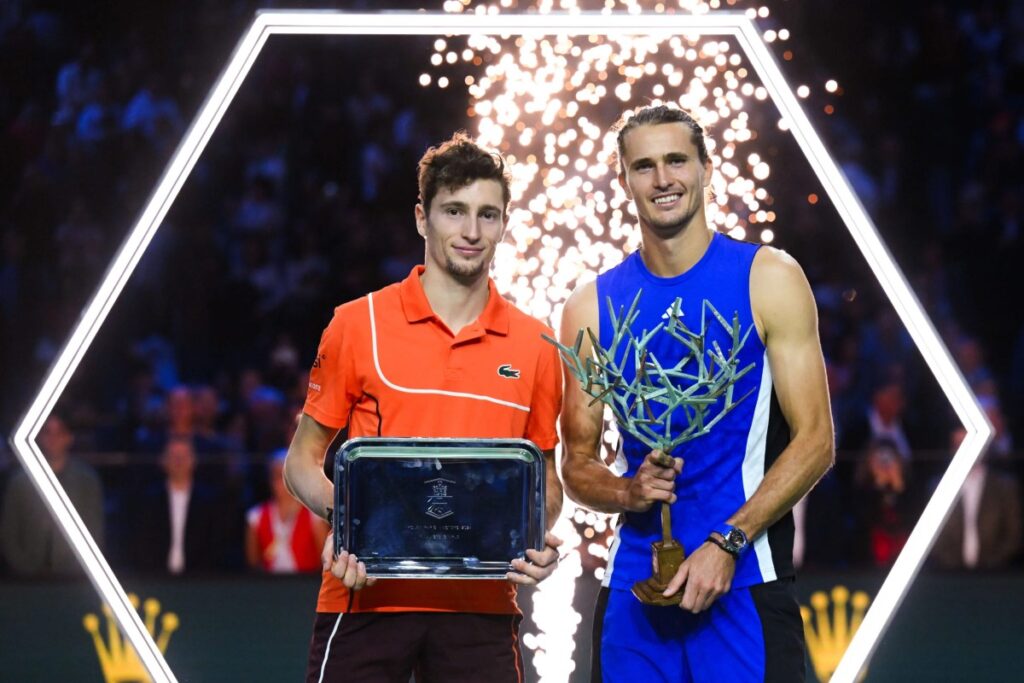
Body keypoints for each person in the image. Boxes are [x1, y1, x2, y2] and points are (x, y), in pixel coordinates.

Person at [558, 105, 834, 682]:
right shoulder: (590, 307)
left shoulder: (769, 277)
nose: (662, 179)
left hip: (745, 583)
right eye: (644, 166)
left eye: (677, 160)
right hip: (636, 592)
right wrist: (627, 491)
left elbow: (815, 443)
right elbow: (577, 465)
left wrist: (728, 541)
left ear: (707, 168)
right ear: (624, 180)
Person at [283, 132, 564, 683]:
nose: (471, 231)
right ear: (421, 217)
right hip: (364, 599)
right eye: (454, 211)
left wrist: (535, 536)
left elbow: (545, 482)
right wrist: (351, 523)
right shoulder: (355, 324)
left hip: (480, 609)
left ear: (504, 224)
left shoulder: (536, 345)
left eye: (487, 214)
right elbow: (300, 463)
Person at [1, 413, 104, 577]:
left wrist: (76, 569)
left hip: (74, 578)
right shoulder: (19, 482)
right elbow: (8, 533)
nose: (53, 439)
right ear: (39, 437)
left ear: (69, 437)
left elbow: (94, 529)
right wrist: (23, 567)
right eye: (47, 432)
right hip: (25, 578)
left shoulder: (86, 480)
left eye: (59, 433)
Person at [246, 449, 327, 573]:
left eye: (287, 476)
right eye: (277, 476)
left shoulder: (315, 516)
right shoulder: (256, 517)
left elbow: (325, 563)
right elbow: (253, 564)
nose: (282, 482)